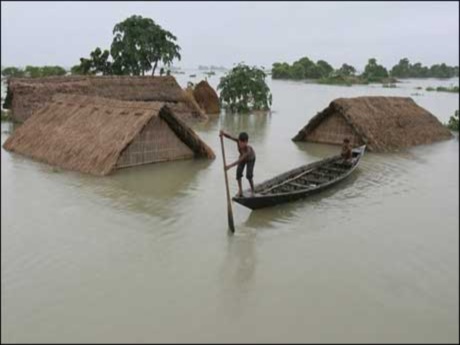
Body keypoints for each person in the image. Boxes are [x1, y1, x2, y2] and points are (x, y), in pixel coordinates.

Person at [219, 130, 256, 197]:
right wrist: (223, 134)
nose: (241, 144)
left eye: (243, 143)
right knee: (238, 173)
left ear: (246, 142)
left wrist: (229, 166)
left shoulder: (248, 150)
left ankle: (253, 190)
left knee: (249, 176)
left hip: (250, 159)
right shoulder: (238, 141)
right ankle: (240, 190)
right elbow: (229, 137)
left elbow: (240, 160)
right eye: (240, 142)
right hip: (242, 157)